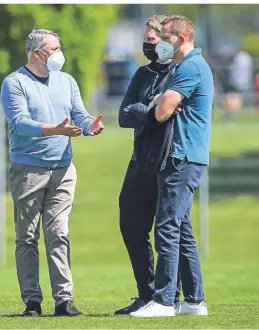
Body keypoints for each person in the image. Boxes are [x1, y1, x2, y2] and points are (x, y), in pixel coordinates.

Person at [0, 29, 104, 317]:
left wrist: (88, 125)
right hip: (28, 171)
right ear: (37, 53)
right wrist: (56, 129)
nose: (59, 53)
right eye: (53, 49)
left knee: (59, 233)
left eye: (60, 47)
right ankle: (32, 302)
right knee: (27, 237)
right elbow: (20, 123)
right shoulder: (14, 83)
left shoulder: (66, 80)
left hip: (62, 170)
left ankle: (63, 301)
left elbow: (79, 112)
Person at [131, 15, 214, 317]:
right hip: (184, 156)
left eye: (165, 37)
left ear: (180, 38)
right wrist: (161, 100)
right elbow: (166, 103)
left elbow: (164, 111)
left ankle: (164, 300)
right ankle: (194, 301)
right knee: (182, 229)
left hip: (182, 156)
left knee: (166, 225)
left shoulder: (190, 67)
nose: (160, 42)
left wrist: (153, 104)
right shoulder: (187, 67)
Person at [115, 15, 181, 315]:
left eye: (153, 41)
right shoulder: (141, 74)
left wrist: (151, 110)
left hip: (166, 160)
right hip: (139, 159)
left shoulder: (180, 73)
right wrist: (148, 108)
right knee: (130, 224)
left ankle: (172, 294)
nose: (148, 46)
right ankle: (146, 292)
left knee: (168, 230)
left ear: (166, 42)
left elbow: (169, 115)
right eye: (145, 41)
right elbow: (123, 115)